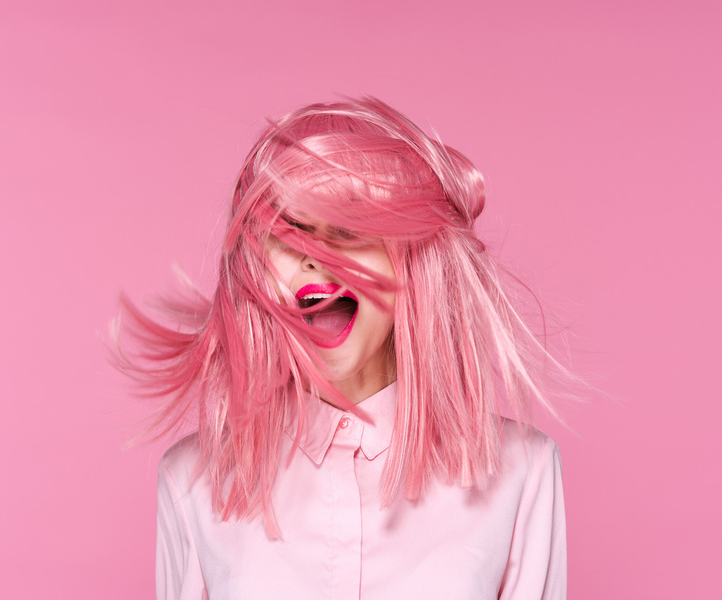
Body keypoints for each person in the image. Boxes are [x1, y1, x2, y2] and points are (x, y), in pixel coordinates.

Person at [118, 98, 568, 599]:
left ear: (413, 260)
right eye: (290, 231)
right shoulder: (192, 479)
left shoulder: (520, 471)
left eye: (350, 230)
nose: (316, 258)